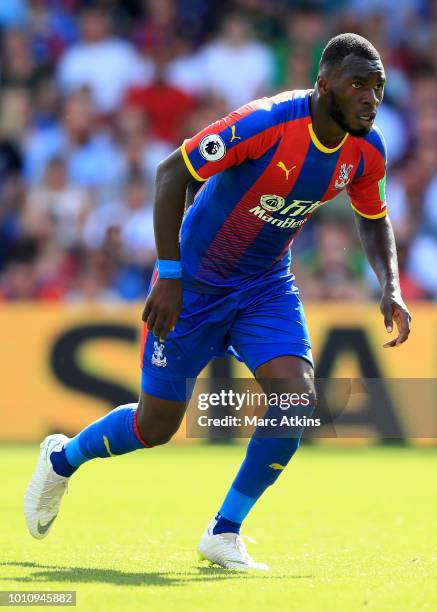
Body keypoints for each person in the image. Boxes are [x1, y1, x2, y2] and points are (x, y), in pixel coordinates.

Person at [24, 33, 411, 570]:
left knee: (297, 399)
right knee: (155, 426)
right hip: (196, 287)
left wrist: (389, 284)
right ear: (324, 87)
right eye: (358, 86)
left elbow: (373, 219)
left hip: (264, 287)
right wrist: (169, 275)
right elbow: (171, 173)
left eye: (379, 88)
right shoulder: (267, 122)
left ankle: (223, 531)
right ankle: (62, 459)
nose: (371, 98)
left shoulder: (367, 150)